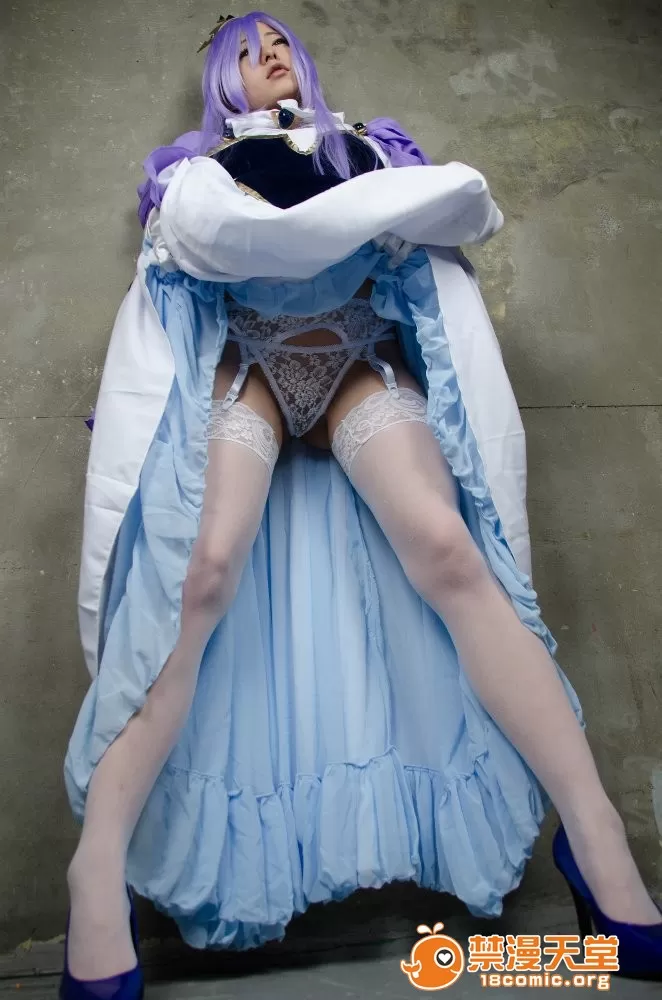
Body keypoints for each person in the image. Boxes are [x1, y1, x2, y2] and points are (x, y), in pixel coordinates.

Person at [60, 12, 661, 998]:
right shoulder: (196, 173)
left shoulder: (368, 147)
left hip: (351, 361)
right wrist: (352, 211)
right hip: (252, 367)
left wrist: (372, 195)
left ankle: (594, 836)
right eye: (244, 48)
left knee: (448, 551)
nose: (268, 53)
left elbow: (460, 214)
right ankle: (98, 868)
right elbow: (223, 243)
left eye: (280, 41)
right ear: (221, 81)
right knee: (197, 577)